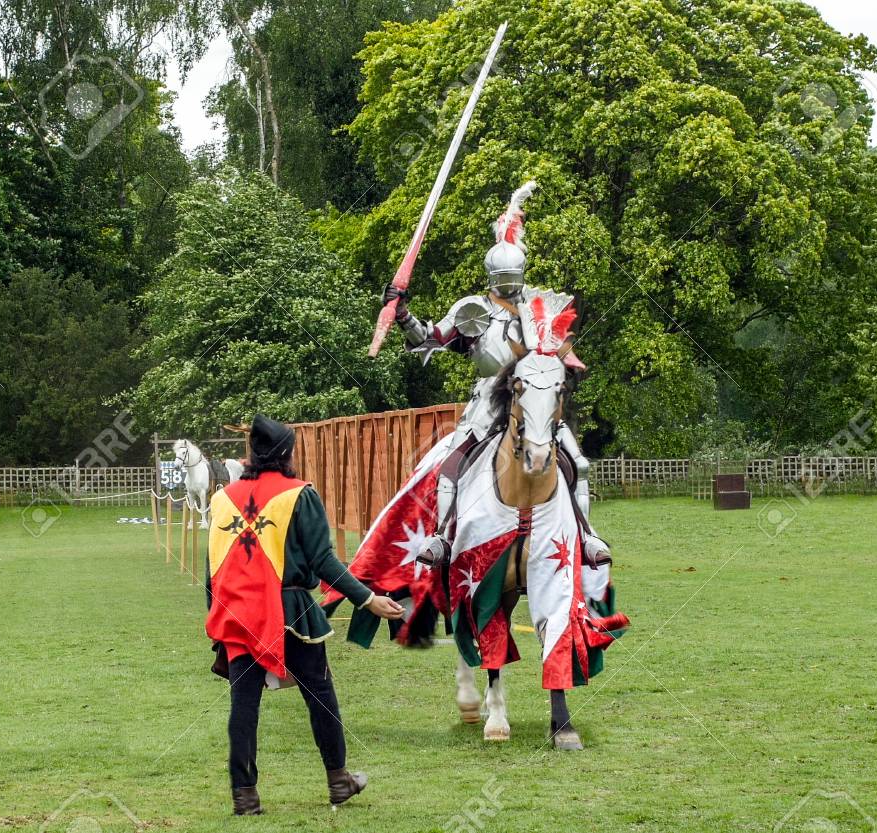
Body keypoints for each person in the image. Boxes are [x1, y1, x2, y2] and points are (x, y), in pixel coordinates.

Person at [381, 180, 610, 567]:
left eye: (512, 276)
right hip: (490, 396)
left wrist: (561, 363)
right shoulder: (473, 309)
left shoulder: (539, 310)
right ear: (492, 275)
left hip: (534, 396)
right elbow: (431, 337)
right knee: (455, 460)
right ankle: (443, 535)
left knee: (578, 462)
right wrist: (403, 315)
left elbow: (559, 355)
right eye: (502, 277)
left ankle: (587, 536)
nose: (508, 284)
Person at [205, 414, 404, 816]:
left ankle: (244, 796)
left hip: (239, 612)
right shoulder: (299, 494)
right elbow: (324, 560)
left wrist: (216, 616)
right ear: (286, 454)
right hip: (290, 610)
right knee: (320, 695)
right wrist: (368, 599)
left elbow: (214, 567)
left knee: (243, 704)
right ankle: (338, 780)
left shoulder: (222, 497)